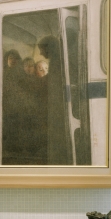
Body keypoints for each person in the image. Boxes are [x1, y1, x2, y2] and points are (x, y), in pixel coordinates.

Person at [37, 35, 72, 165]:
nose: (40, 53)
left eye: (42, 49)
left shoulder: (57, 62)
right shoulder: (57, 60)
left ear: (49, 48)